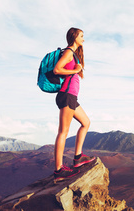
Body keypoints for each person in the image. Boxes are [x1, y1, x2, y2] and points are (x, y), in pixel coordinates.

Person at [52, 27, 95, 182]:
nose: (83, 38)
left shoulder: (75, 54)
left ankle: (77, 157)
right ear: (74, 37)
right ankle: (58, 170)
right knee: (63, 132)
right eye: (81, 36)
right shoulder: (69, 52)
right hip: (66, 95)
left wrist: (76, 68)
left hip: (71, 97)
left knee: (86, 122)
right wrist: (75, 70)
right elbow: (57, 70)